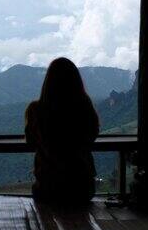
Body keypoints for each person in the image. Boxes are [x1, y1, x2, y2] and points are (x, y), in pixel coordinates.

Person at [25, 57, 99, 205]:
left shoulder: (36, 110)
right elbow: (92, 135)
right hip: (82, 189)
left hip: (48, 189)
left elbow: (30, 142)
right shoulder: (84, 106)